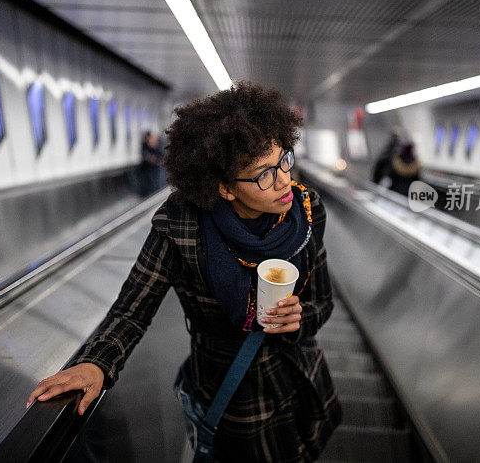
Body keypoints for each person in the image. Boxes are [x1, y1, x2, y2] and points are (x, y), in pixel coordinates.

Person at [27, 82, 342, 461]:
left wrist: (300, 317)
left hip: (298, 378)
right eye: (263, 175)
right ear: (225, 188)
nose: (283, 180)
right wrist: (97, 362)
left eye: (284, 160)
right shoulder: (182, 227)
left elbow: (322, 301)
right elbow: (132, 309)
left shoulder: (306, 212)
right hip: (233, 391)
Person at [138, 130, 163, 196]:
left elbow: (161, 155)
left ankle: (156, 193)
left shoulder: (158, 144)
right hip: (147, 167)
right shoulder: (145, 144)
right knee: (149, 182)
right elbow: (144, 155)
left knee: (156, 182)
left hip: (155, 167)